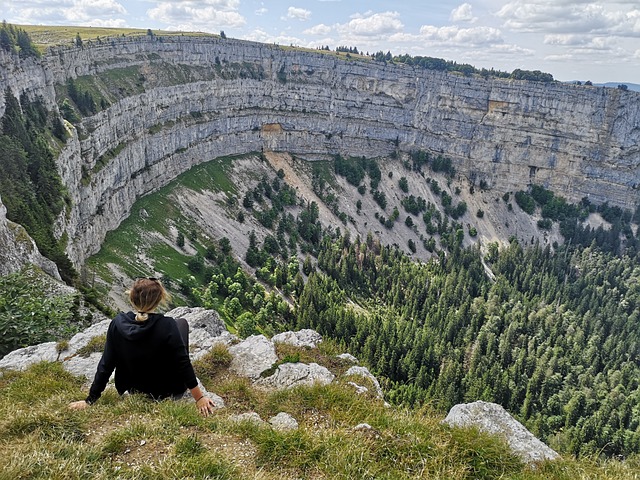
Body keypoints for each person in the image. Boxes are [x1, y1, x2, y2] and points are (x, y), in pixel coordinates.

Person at [69, 278, 216, 416]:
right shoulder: (167, 325)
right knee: (181, 323)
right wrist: (199, 398)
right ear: (158, 300)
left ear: (132, 299)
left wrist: (90, 400)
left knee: (177, 326)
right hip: (167, 390)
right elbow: (183, 362)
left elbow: (106, 365)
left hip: (133, 389)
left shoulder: (117, 324)